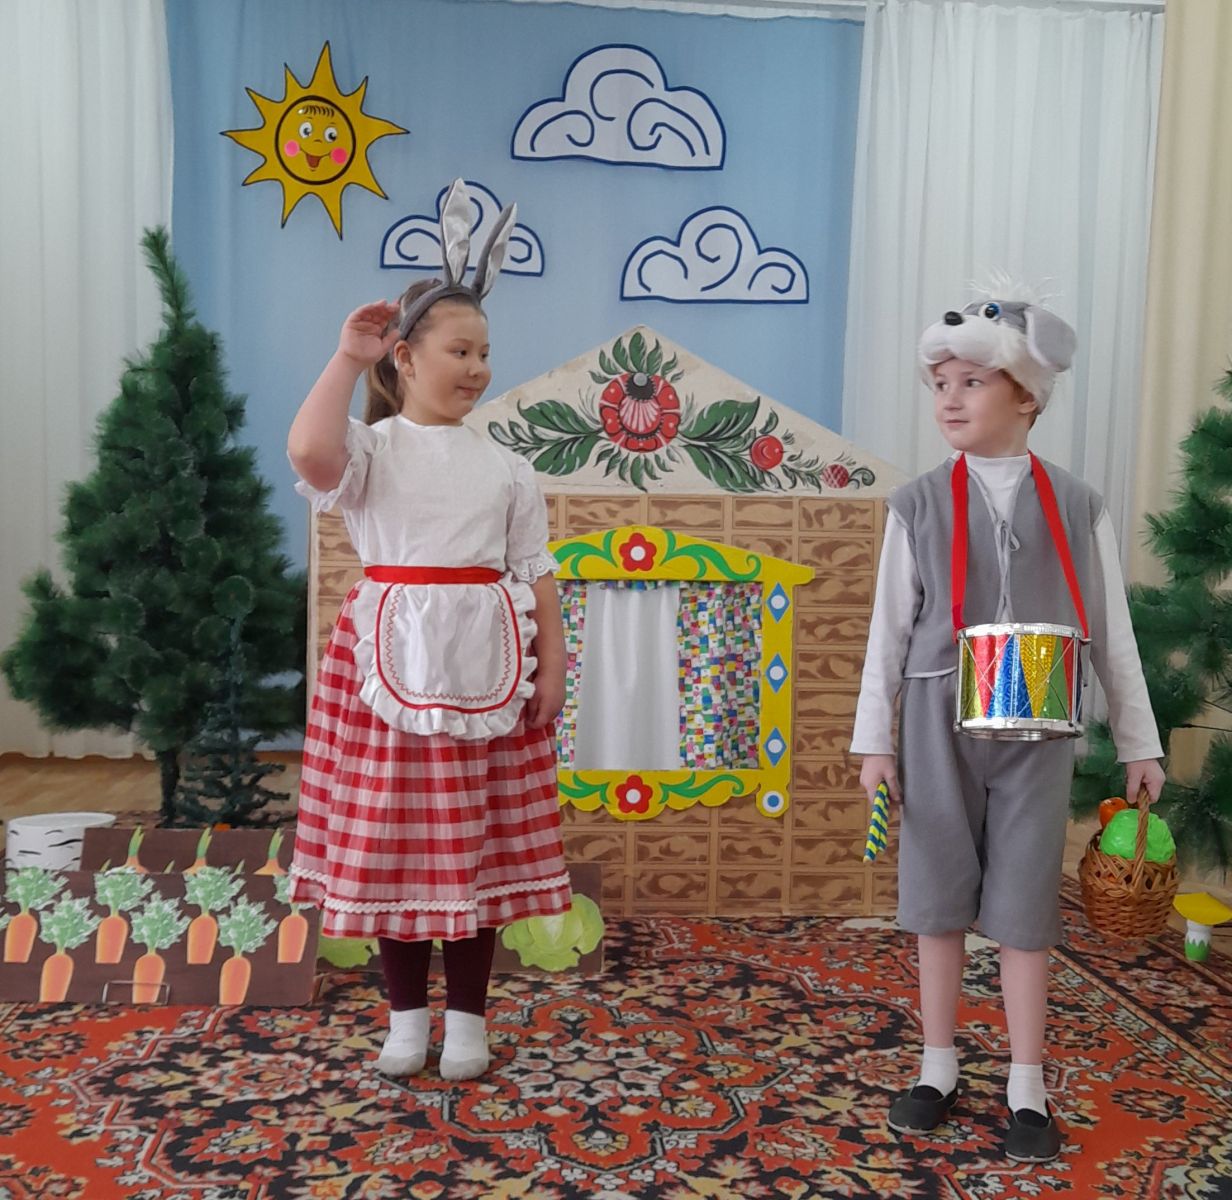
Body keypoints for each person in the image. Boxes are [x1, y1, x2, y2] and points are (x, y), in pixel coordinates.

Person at [850, 293, 1165, 1161]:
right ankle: (937, 1066)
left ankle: (1028, 1083)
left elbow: (1111, 628)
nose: (948, 399)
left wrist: (1138, 740)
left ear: (1026, 394)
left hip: (1039, 724)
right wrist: (875, 739)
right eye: (939, 384)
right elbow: (888, 630)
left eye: (972, 382)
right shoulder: (917, 504)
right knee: (937, 895)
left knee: (1026, 905)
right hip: (935, 719)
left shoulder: (1078, 504)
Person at [286, 180, 571, 1082]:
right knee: (395, 852)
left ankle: (469, 1024)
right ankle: (407, 1021)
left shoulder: (508, 467)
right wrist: (346, 359)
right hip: (388, 677)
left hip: (489, 675)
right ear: (405, 358)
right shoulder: (373, 452)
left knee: (471, 855)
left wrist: (554, 669)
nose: (478, 367)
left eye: (485, 352)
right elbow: (308, 453)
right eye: (460, 350)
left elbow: (536, 573)